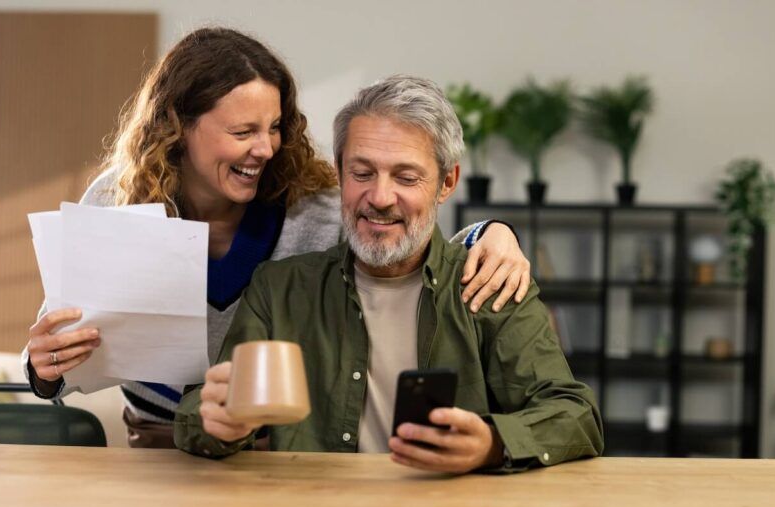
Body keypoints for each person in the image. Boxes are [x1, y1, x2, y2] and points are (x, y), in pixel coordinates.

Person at [21, 28, 531, 448]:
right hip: (157, 443)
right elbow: (60, 348)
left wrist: (492, 232)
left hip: (278, 448)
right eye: (243, 132)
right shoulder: (115, 200)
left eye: (274, 127)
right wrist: (44, 368)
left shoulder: (317, 205)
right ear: (178, 127)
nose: (265, 149)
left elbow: (404, 243)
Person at [174, 75, 604, 473]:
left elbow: (576, 414)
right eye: (362, 173)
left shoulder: (488, 282)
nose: (379, 197)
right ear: (340, 174)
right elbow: (201, 410)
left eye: (406, 177)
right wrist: (217, 422)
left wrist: (492, 443)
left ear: (447, 182)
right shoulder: (278, 288)